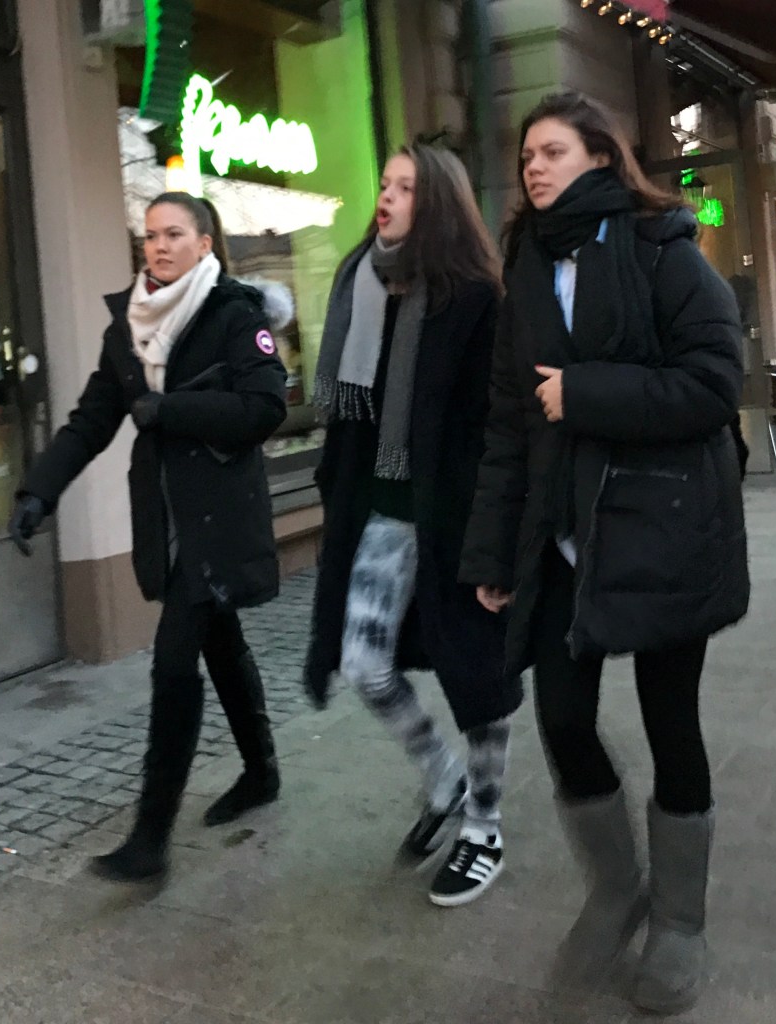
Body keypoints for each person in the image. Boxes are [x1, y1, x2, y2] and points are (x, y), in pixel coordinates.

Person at [459, 92, 749, 1012]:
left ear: (599, 156)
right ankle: (617, 888)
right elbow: (509, 423)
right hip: (564, 537)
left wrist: (587, 393)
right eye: (526, 155)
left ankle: (680, 921)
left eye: (552, 151)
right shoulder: (525, 266)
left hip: (665, 530)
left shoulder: (663, 249)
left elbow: (715, 380)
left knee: (672, 726)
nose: (533, 167)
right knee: (563, 719)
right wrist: (492, 554)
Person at [8, 191, 290, 882]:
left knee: (174, 662)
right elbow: (91, 420)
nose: (158, 247)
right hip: (165, 520)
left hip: (218, 518)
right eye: (150, 235)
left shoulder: (234, 313)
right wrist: (39, 491)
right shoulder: (129, 325)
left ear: (205, 243)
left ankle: (150, 836)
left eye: (173, 234)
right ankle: (261, 771)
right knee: (219, 640)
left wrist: (171, 409)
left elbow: (264, 407)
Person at [303, 144, 522, 907]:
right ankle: (443, 777)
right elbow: (349, 422)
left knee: (480, 684)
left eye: (405, 186)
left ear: (437, 203)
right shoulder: (363, 286)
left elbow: (500, 432)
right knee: (364, 664)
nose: (386, 196)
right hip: (381, 518)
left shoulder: (476, 301)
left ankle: (484, 828)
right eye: (385, 184)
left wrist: (497, 544)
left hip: (456, 523)